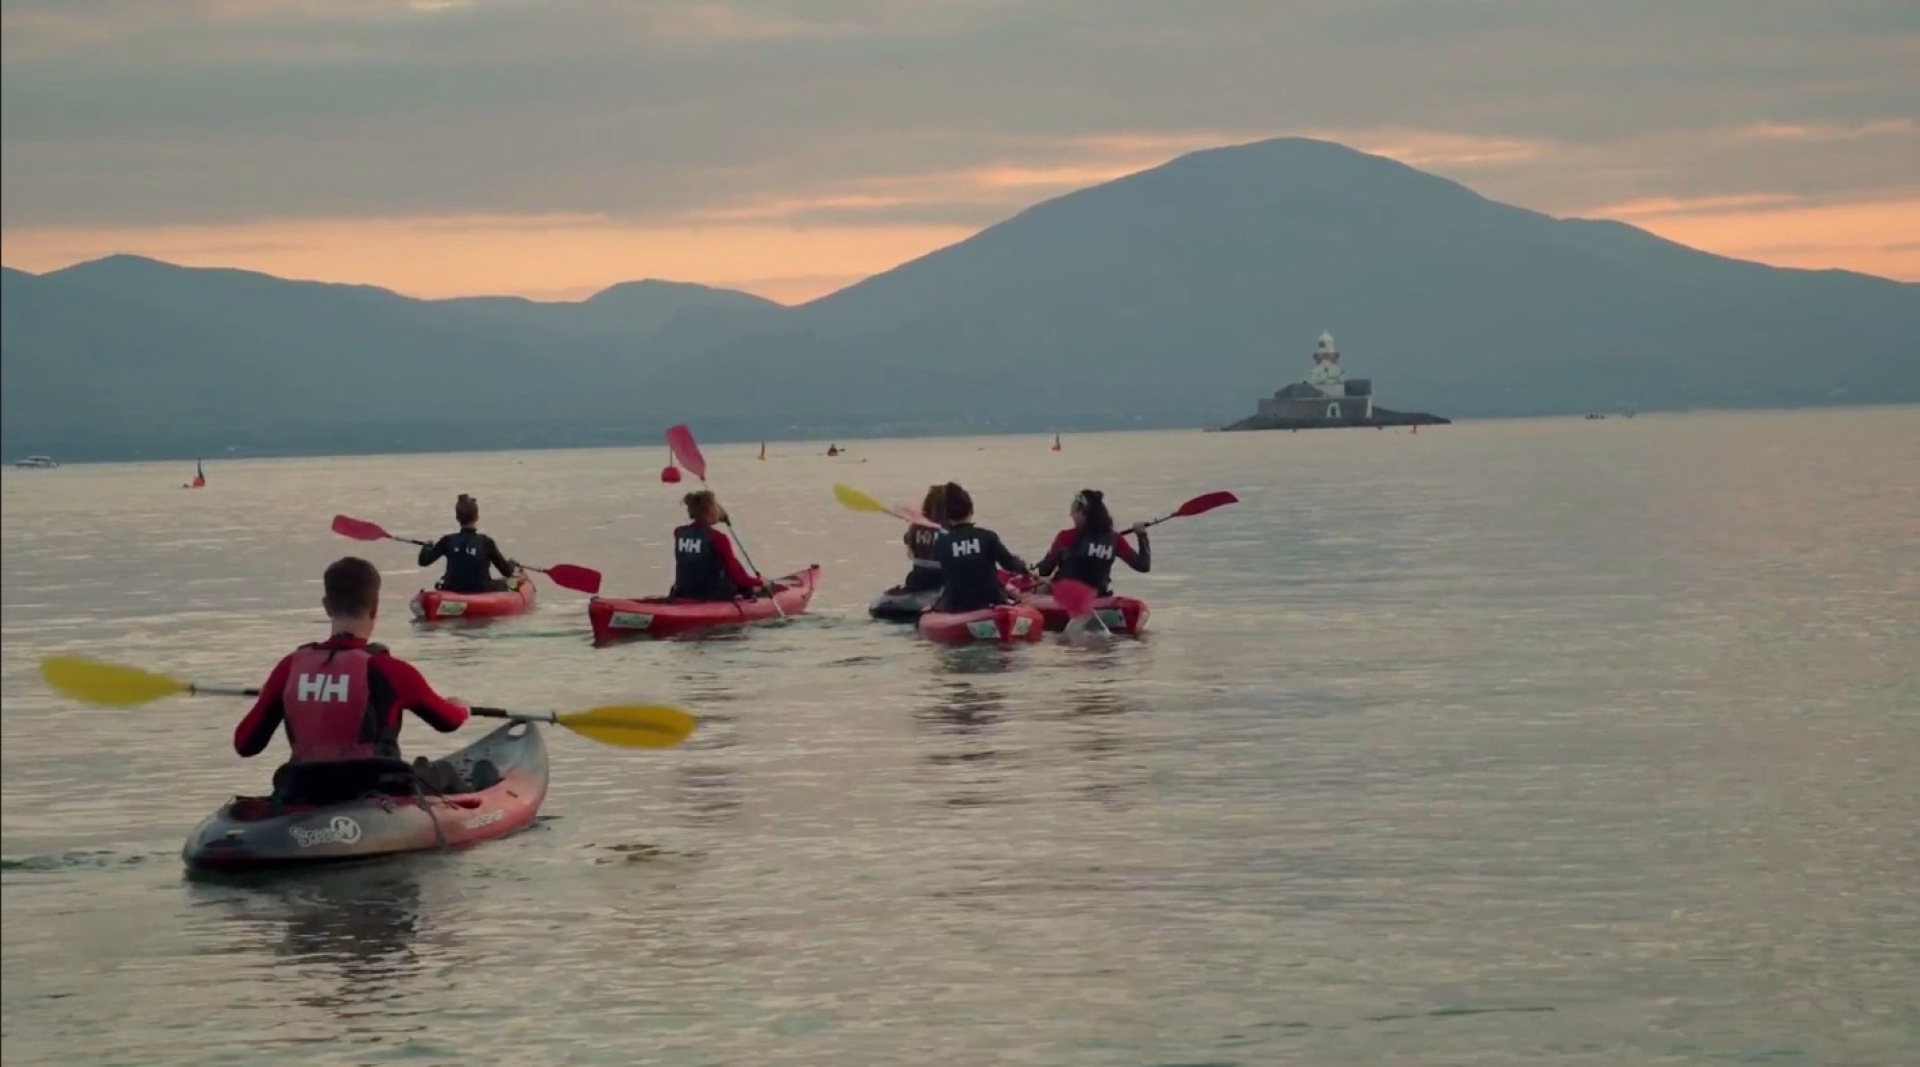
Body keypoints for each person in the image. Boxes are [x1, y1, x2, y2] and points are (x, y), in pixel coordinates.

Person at [234, 557, 477, 802]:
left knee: (422, 768)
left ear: (327, 606)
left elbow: (245, 745)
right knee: (444, 772)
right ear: (375, 608)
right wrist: (461, 708)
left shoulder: (289, 668)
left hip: (304, 789)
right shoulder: (391, 670)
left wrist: (275, 696)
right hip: (376, 792)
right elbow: (448, 722)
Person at [931, 482, 1031, 613]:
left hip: (957, 604)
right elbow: (1009, 563)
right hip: (991, 599)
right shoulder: (988, 537)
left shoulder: (942, 543)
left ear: (948, 516)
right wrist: (1025, 569)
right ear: (971, 510)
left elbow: (944, 572)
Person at [1035, 489, 1151, 596]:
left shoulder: (1065, 537)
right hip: (1097, 597)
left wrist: (1038, 569)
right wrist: (1142, 535)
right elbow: (1143, 565)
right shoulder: (1115, 539)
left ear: (1084, 513)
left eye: (1074, 511)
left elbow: (1045, 570)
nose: (1071, 515)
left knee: (1040, 587)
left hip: (1065, 598)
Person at [670, 490, 769, 601]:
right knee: (735, 568)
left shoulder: (679, 533)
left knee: (722, 560)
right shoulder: (718, 538)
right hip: (713, 594)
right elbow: (739, 579)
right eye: (716, 505)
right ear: (710, 509)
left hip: (684, 592)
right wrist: (759, 581)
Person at [417, 494, 519, 594]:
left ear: (457, 518)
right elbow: (506, 571)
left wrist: (427, 546)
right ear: (477, 517)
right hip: (481, 590)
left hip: (452, 588)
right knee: (510, 583)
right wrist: (512, 563)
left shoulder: (447, 541)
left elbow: (424, 561)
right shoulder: (486, 542)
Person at [891, 484, 950, 595]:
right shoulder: (950, 529)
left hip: (917, 578)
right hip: (942, 579)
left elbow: (907, 540)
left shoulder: (916, 526)